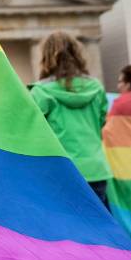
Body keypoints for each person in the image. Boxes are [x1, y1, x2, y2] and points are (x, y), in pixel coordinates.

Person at [29, 32, 112, 206]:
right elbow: (101, 123)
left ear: (46, 57)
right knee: (97, 229)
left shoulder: (40, 92)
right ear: (77, 54)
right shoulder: (96, 88)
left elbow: (34, 132)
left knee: (63, 231)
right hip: (95, 169)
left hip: (60, 172)